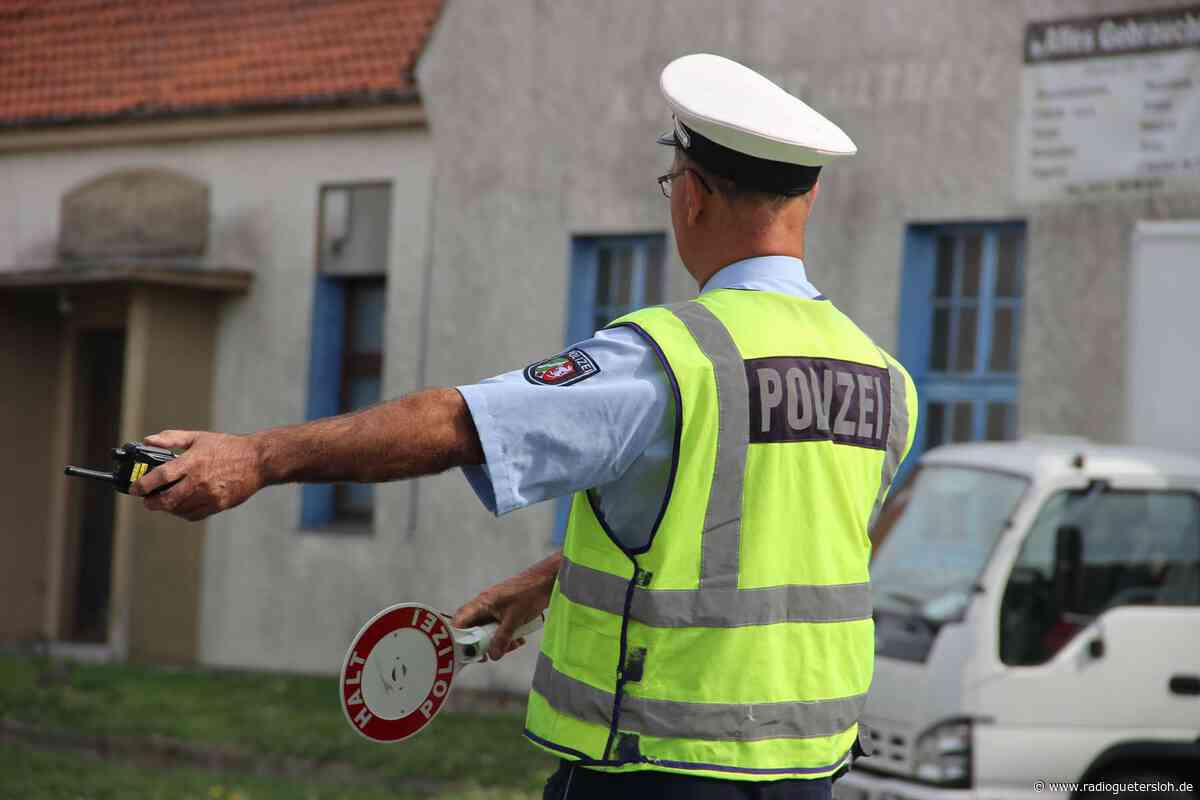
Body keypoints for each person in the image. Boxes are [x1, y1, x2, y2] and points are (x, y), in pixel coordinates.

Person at [133, 53, 917, 799]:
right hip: (808, 768)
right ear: (808, 200)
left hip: (656, 769)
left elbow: (457, 425)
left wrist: (259, 456)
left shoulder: (671, 359)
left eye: (671, 176)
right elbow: (749, 535)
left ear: (694, 195)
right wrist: (551, 581)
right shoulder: (885, 379)